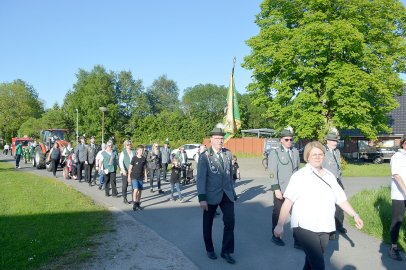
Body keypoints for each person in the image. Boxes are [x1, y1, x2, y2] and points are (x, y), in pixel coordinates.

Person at [274, 141, 364, 270]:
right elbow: (288, 202)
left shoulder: (330, 176)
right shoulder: (299, 176)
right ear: (307, 157)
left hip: (325, 225)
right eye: (314, 154)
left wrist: (355, 215)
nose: (317, 157)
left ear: (324, 156)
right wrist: (280, 225)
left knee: (311, 262)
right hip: (304, 226)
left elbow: (341, 199)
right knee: (318, 264)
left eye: (320, 154)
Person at [197, 125, 236, 265]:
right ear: (211, 140)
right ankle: (209, 248)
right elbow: (201, 178)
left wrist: (233, 192)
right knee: (208, 224)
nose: (220, 141)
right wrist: (202, 198)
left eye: (222, 138)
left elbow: (230, 175)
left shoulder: (228, 153)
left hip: (226, 193)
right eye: (217, 138)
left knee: (230, 221)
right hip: (211, 194)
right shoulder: (205, 156)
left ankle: (226, 251)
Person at [268, 128, 300, 248]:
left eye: (291, 139)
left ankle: (298, 240)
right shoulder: (275, 153)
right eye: (286, 139)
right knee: (278, 213)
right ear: (281, 140)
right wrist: (276, 189)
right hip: (280, 189)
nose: (289, 141)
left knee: (297, 215)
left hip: (294, 190)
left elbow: (297, 170)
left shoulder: (295, 152)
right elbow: (272, 172)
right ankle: (276, 236)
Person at [322, 130, 347, 240]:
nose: (335, 143)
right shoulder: (323, 151)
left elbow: (338, 167)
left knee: (340, 203)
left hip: (337, 180)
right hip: (327, 182)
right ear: (327, 140)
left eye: (336, 140)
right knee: (329, 206)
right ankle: (330, 230)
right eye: (332, 140)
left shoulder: (337, 151)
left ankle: (339, 225)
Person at [389, 134, 406, 261]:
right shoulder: (397, 156)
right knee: (397, 221)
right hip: (400, 196)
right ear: (403, 143)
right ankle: (394, 248)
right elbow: (397, 175)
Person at [128, 145, 148, 211]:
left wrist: (146, 176)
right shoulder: (134, 158)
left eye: (142, 150)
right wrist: (129, 177)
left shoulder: (143, 159)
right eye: (140, 150)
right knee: (135, 189)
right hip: (134, 177)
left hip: (140, 177)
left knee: (139, 191)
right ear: (137, 151)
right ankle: (134, 203)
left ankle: (138, 203)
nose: (141, 152)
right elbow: (130, 168)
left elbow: (145, 168)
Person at [119, 140, 135, 204]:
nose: (129, 146)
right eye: (127, 145)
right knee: (125, 185)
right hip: (125, 171)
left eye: (130, 144)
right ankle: (124, 197)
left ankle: (133, 198)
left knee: (134, 185)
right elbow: (120, 162)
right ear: (125, 146)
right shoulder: (123, 152)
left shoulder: (134, 152)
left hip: (133, 171)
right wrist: (123, 170)